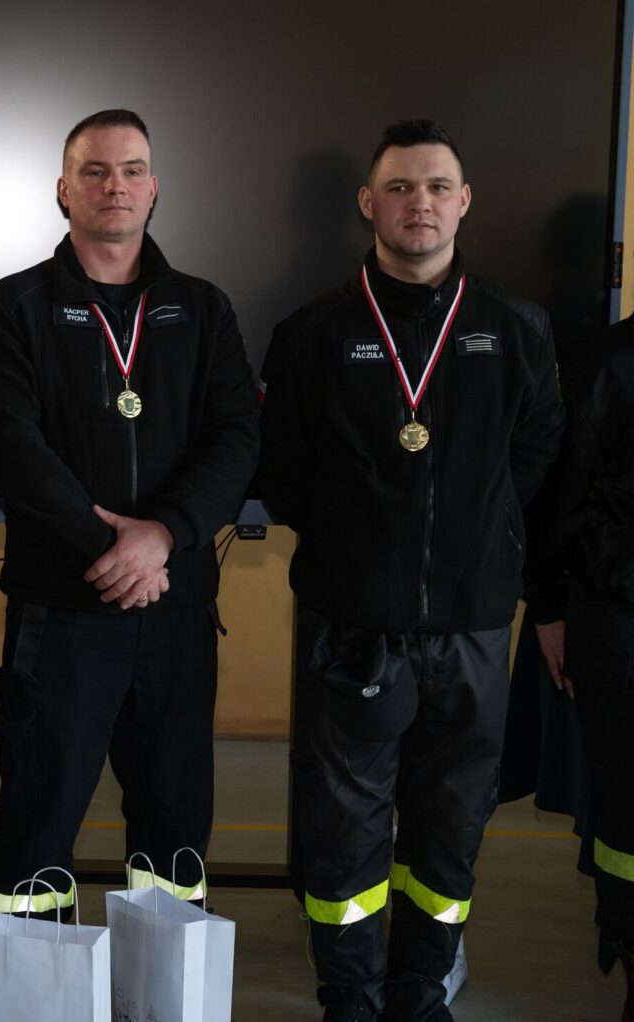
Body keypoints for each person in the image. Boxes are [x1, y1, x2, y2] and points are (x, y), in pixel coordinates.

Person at [257, 119, 563, 1022]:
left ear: (463, 202)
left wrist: (478, 532)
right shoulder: (311, 333)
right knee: (341, 827)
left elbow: (537, 454)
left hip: (473, 626)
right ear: (368, 204)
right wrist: (362, 546)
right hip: (351, 627)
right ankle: (350, 997)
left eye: (435, 187)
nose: (417, 203)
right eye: (398, 187)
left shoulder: (517, 328)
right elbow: (283, 474)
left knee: (451, 826)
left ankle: (421, 988)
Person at [0, 110, 259, 916]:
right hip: (62, 607)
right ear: (64, 190)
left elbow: (238, 436)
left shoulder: (204, 309)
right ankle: (34, 982)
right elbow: (8, 445)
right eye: (94, 171)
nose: (115, 185)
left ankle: (162, 983)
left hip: (176, 610)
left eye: (132, 170)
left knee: (175, 833)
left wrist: (163, 537)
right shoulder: (15, 304)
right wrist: (113, 547)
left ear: (154, 189)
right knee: (36, 828)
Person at [528, 312, 634, 1021]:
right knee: (627, 816)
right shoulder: (611, 359)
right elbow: (558, 491)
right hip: (621, 619)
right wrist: (549, 603)